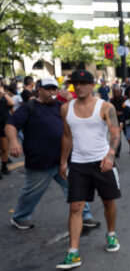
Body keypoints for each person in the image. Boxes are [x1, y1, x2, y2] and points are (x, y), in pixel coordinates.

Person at [5, 78, 99, 229]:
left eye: (54, 89)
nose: (51, 92)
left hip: (64, 158)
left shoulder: (62, 106)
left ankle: (85, 215)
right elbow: (11, 125)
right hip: (40, 160)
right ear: (39, 90)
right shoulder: (29, 107)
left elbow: (83, 117)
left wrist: (72, 100)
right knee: (31, 192)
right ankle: (20, 217)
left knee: (75, 187)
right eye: (48, 89)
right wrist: (14, 142)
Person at [57, 70, 121, 270]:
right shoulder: (66, 108)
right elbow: (67, 137)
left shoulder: (105, 107)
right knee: (75, 207)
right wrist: (63, 162)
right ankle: (73, 253)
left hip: (102, 162)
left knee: (108, 202)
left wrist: (110, 155)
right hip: (78, 164)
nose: (78, 86)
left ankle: (111, 235)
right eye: (75, 83)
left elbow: (115, 133)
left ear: (92, 85)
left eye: (83, 83)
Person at [0, 81, 15, 176]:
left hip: (3, 125)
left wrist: (3, 94)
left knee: (5, 149)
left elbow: (12, 103)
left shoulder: (5, 97)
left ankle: (4, 167)